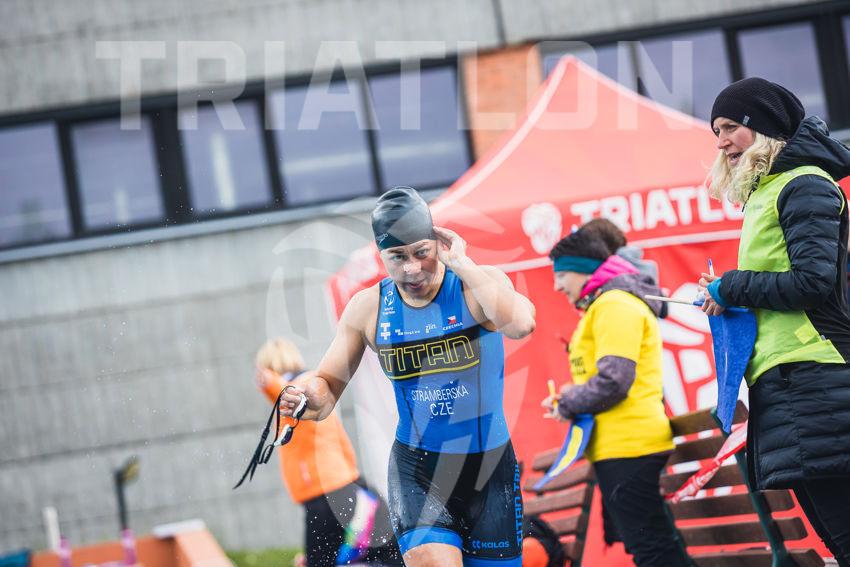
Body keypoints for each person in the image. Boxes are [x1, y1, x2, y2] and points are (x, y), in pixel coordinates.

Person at [279, 186, 537, 567]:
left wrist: (463, 264)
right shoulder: (368, 309)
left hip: (487, 471)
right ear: (381, 255)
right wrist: (309, 396)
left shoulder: (475, 286)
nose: (412, 268)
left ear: (438, 243)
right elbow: (328, 385)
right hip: (418, 472)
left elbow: (520, 324)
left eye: (421, 252)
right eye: (397, 257)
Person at [699, 77, 850, 565]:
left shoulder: (804, 183)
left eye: (729, 127)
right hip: (791, 384)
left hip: (816, 376)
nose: (721, 142)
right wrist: (730, 294)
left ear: (762, 126)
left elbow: (812, 283)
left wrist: (733, 286)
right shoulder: (768, 192)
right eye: (715, 131)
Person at [541, 228, 689, 567]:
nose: (557, 285)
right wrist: (571, 396)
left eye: (561, 274)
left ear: (584, 270)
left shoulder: (614, 305)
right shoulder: (605, 305)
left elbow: (614, 381)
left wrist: (569, 403)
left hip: (630, 446)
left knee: (651, 549)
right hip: (621, 446)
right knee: (649, 547)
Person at [254, 338, 402, 567]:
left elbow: (282, 392)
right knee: (378, 553)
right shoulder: (308, 389)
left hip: (325, 493)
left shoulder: (298, 388)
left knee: (325, 560)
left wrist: (266, 382)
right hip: (342, 487)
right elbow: (342, 442)